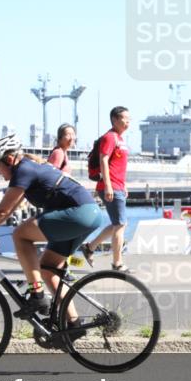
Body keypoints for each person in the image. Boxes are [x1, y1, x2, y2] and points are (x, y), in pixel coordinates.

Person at [0, 134, 101, 329]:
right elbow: (8, 210)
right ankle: (74, 324)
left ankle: (37, 295)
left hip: (79, 213)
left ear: (9, 159)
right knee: (48, 269)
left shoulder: (23, 169)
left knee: (20, 234)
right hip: (90, 214)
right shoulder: (29, 168)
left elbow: (2, 211)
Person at [81, 106, 130, 271]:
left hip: (118, 186)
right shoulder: (110, 138)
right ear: (115, 120)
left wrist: (124, 186)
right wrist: (109, 186)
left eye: (129, 118)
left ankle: (90, 247)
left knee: (118, 223)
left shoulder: (120, 139)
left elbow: (118, 166)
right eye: (124, 118)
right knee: (120, 225)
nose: (128, 121)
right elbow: (103, 160)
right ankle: (117, 263)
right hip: (110, 186)